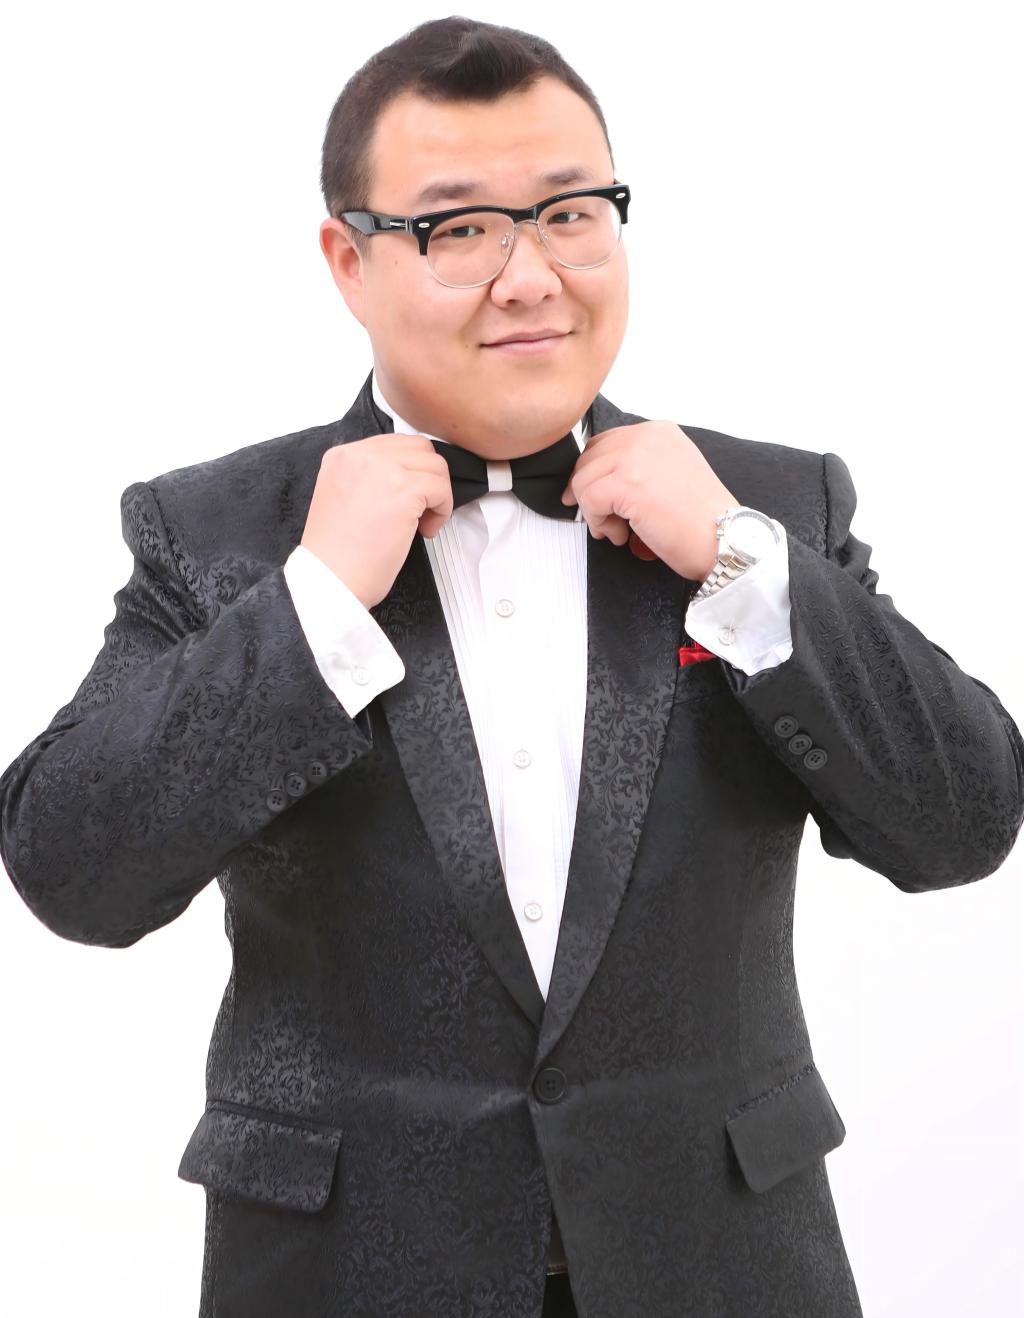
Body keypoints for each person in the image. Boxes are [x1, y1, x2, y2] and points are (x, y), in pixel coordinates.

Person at [1, 16, 1021, 1318]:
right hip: (347, 1278)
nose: (531, 276)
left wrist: (743, 563)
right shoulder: (216, 533)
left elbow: (963, 820)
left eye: (571, 214)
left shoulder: (772, 508)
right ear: (349, 260)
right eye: (461, 228)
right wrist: (312, 605)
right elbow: (74, 867)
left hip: (720, 1270)